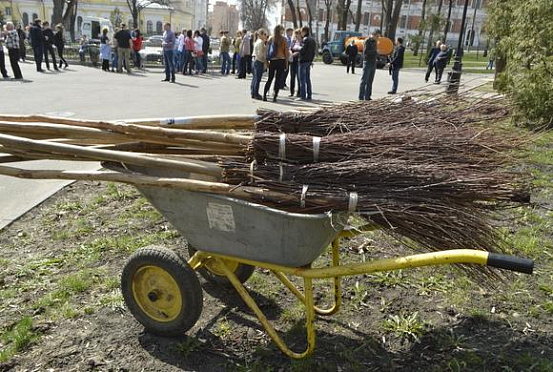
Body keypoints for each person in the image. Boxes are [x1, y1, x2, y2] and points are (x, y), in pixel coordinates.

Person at [263, 25, 289, 102]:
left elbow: (266, 51)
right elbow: (286, 53)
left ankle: (265, 95)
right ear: (279, 30)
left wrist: (266, 61)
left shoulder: (271, 38)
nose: (283, 31)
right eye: (282, 30)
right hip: (281, 61)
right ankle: (275, 96)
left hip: (273, 61)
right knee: (278, 79)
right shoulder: (284, 39)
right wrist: (286, 63)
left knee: (270, 78)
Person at [298, 26, 316, 101]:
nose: (301, 33)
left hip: (303, 61)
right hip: (309, 61)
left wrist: (298, 48)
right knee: (308, 79)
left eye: (301, 32)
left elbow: (302, 50)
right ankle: (309, 95)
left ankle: (303, 96)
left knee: (302, 79)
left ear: (304, 32)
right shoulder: (312, 40)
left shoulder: (305, 39)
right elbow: (313, 52)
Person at [359, 33, 378, 100]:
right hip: (367, 62)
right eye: (377, 36)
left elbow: (375, 52)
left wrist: (376, 55)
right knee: (364, 80)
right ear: (373, 35)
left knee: (370, 81)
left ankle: (368, 96)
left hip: (373, 62)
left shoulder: (375, 42)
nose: (377, 38)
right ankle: (361, 96)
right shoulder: (367, 41)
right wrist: (375, 52)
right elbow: (365, 52)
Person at [251, 28, 267, 100]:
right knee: (257, 79)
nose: (265, 36)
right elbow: (261, 55)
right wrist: (264, 62)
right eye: (264, 34)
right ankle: (256, 93)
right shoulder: (261, 42)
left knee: (255, 78)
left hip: (254, 60)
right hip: (259, 61)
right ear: (261, 34)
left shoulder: (257, 41)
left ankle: (253, 92)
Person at [288, 29, 302, 97]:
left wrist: (297, 53)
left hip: (299, 61)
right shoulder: (293, 41)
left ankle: (299, 92)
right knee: (292, 77)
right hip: (292, 61)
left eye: (297, 34)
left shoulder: (302, 42)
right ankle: (291, 92)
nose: (296, 36)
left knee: (299, 77)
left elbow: (302, 50)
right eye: (295, 34)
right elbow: (290, 48)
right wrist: (290, 52)